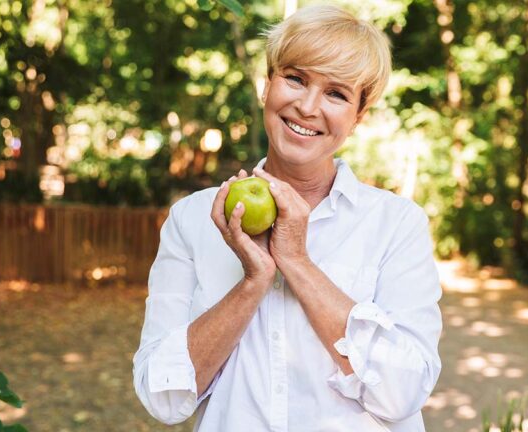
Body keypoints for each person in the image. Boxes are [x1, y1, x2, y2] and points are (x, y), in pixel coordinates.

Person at [133, 5, 442, 431]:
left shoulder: (396, 224)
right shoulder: (192, 219)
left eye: (336, 94)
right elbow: (162, 398)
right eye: (295, 79)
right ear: (268, 85)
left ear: (358, 116)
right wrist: (253, 281)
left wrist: (296, 260)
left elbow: (405, 392)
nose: (308, 106)